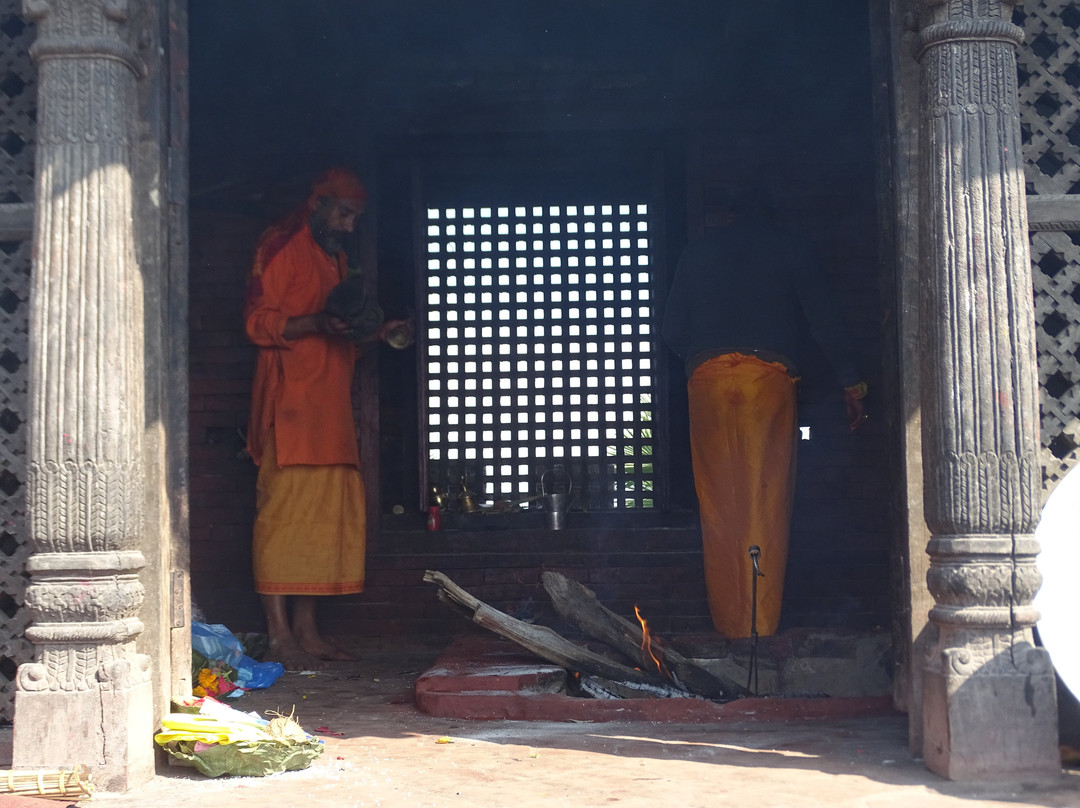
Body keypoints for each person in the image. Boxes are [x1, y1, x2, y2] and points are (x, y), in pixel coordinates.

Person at [662, 191, 867, 640]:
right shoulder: (793, 247)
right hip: (766, 382)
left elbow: (672, 329)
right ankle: (760, 625)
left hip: (708, 382)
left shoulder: (697, 253)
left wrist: (706, 355)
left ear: (729, 214)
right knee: (764, 499)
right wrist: (852, 382)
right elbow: (824, 320)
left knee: (718, 504)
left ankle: (729, 625)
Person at [243, 167, 408, 670]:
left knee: (321, 525)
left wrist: (378, 334)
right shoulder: (279, 246)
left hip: (331, 412)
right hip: (289, 408)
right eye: (344, 214)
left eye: (356, 217)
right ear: (317, 203)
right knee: (282, 522)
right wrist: (315, 322)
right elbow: (255, 323)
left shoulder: (337, 259)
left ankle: (307, 633)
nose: (350, 226)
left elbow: (341, 336)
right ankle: (278, 637)